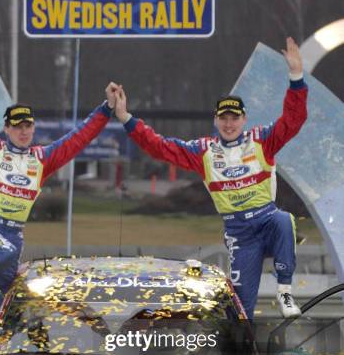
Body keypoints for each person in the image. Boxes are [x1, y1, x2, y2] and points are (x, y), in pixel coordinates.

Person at [0, 51, 116, 355]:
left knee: (1, 316)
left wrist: (106, 109)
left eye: (28, 125)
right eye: (17, 126)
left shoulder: (42, 159)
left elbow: (78, 138)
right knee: (6, 248)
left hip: (11, 239)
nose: (24, 131)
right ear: (6, 128)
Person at [113, 37, 308, 320]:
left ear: (244, 119)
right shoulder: (203, 151)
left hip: (267, 220)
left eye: (234, 118)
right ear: (216, 120)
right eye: (223, 118)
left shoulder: (262, 140)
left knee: (283, 219)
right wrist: (125, 117)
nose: (229, 124)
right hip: (240, 233)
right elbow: (161, 146)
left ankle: (285, 290)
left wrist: (296, 77)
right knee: (240, 310)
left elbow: (294, 120)